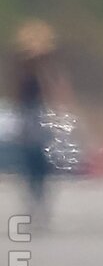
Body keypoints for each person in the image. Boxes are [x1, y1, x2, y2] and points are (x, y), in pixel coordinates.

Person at [7, 20, 70, 223]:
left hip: (38, 118)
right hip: (28, 118)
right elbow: (16, 96)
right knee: (30, 163)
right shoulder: (23, 71)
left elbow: (54, 94)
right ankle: (35, 203)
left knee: (39, 163)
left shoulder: (46, 70)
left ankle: (39, 203)